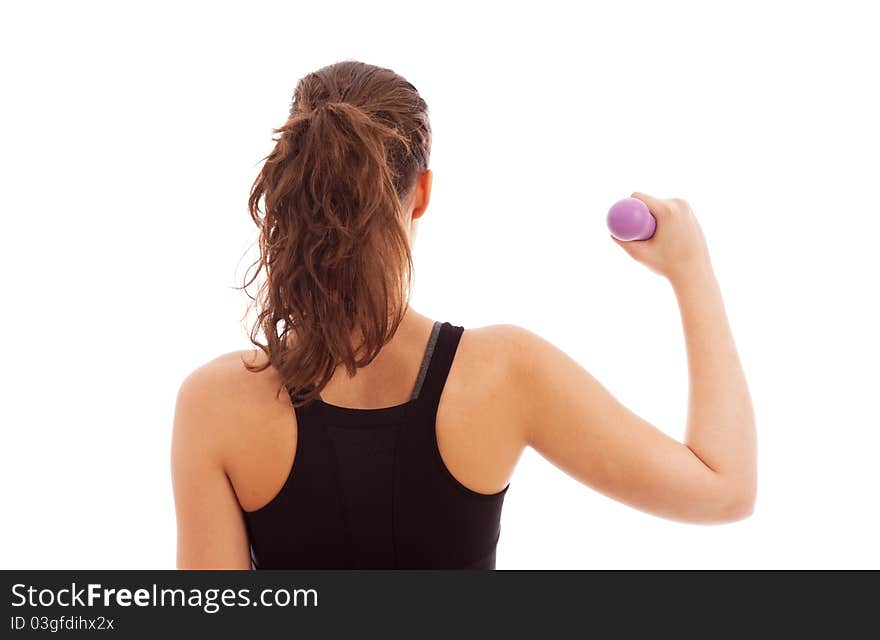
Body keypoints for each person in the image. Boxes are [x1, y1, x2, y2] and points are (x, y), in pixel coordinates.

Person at [171, 60, 757, 569]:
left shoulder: (216, 404)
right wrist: (692, 269)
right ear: (421, 192)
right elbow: (723, 488)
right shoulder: (503, 374)